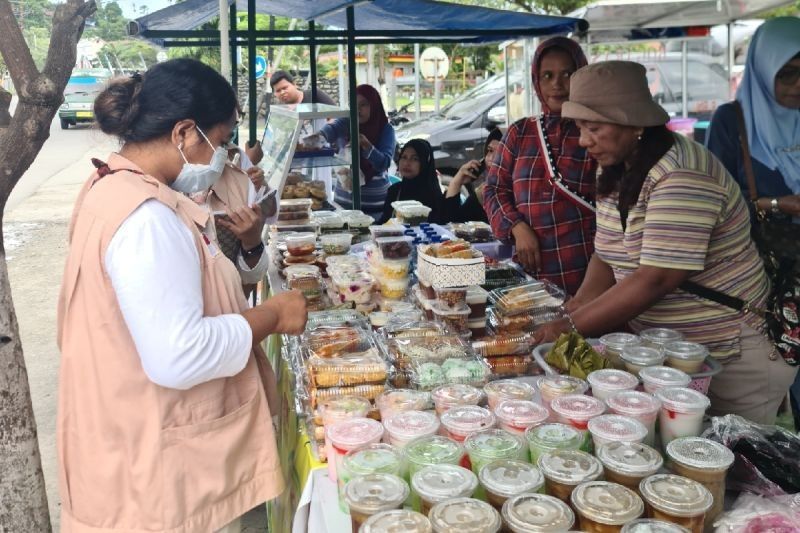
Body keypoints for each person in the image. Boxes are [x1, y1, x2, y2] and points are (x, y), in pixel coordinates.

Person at [57, 58, 307, 532]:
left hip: (126, 446)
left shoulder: (109, 186)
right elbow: (180, 353)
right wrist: (272, 316)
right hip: (160, 479)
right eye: (223, 139)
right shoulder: (147, 218)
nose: (225, 154)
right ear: (185, 133)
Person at [533, 60, 795, 425]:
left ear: (636, 124)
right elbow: (606, 256)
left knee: (734, 466)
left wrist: (573, 328)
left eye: (593, 127)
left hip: (730, 354)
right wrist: (572, 310)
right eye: (579, 127)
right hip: (671, 355)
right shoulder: (615, 167)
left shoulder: (681, 174)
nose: (583, 140)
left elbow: (656, 277)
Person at [706, 17, 800, 428]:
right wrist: (780, 203)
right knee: (781, 369)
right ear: (764, 71)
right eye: (788, 74)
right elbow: (715, 202)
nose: (798, 86)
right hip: (765, 281)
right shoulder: (733, 121)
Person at [483, 37, 597, 296]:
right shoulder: (520, 133)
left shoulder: (595, 132)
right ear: (536, 81)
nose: (556, 84)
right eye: (547, 75)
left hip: (589, 279)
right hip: (528, 280)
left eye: (567, 74)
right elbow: (493, 189)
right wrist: (516, 226)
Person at [318, 84, 396, 220]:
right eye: (353, 104)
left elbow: (384, 163)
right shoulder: (346, 123)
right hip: (343, 208)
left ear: (374, 105)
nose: (358, 109)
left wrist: (367, 146)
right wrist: (315, 139)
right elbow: (331, 129)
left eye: (363, 104)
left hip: (375, 213)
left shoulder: (385, 130)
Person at [441, 128, 502, 224]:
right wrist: (457, 181)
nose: (492, 158)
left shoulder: (524, 196)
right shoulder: (484, 192)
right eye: (490, 151)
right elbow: (451, 222)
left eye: (501, 153)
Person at [378, 138, 444, 224]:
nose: (407, 163)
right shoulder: (394, 190)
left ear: (424, 163)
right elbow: (384, 223)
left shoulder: (433, 195)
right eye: (404, 157)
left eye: (415, 159)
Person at [269, 69, 335, 106]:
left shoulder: (315, 95)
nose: (282, 92)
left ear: (294, 84)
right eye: (278, 91)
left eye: (285, 88)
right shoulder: (282, 109)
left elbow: (338, 117)